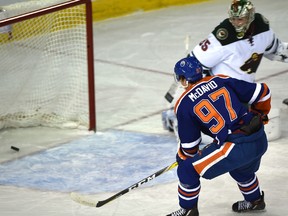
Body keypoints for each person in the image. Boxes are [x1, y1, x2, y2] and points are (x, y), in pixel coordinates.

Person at [166, 56, 271, 216]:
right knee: (241, 170)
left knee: (187, 170)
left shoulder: (184, 103)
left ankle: (188, 211)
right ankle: (255, 201)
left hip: (236, 147)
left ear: (183, 80)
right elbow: (263, 92)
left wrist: (183, 158)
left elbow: (189, 146)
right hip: (259, 138)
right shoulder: (220, 79)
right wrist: (260, 115)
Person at [162, 0, 287, 133]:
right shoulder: (221, 38)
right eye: (233, 19)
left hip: (245, 90)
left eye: (240, 19)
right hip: (222, 94)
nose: (235, 23)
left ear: (251, 18)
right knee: (236, 131)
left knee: (255, 126)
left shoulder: (263, 29)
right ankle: (176, 118)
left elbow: (278, 51)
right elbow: (193, 65)